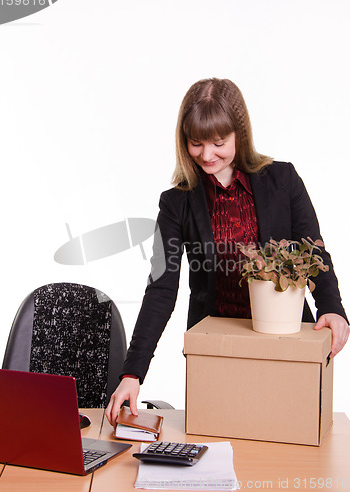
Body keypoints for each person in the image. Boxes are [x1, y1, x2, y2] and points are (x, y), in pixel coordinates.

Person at [105, 78, 349, 427]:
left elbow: (316, 252)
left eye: (219, 143)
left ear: (240, 135)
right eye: (196, 143)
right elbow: (161, 287)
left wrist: (333, 309)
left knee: (291, 441)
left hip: (287, 343)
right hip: (216, 351)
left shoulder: (283, 180)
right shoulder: (176, 203)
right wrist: (133, 373)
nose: (206, 155)